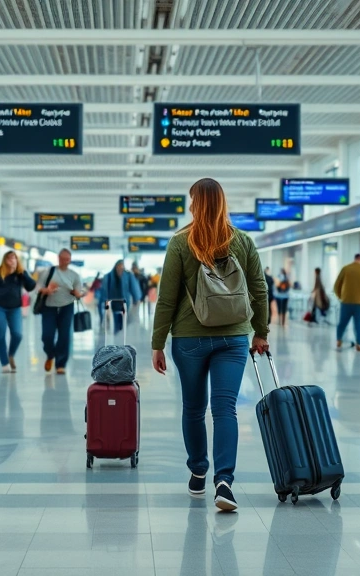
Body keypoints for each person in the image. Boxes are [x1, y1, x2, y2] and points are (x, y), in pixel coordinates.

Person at [150, 178, 269, 512]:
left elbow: (167, 298)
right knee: (224, 409)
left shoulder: (180, 243)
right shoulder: (243, 241)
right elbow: (259, 289)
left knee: (193, 408)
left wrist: (158, 342)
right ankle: (225, 482)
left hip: (189, 337)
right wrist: (261, 331)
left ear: (196, 204)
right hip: (233, 337)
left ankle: (198, 471)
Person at [0, 251, 37, 373]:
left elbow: (31, 286)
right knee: (1, 335)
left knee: (17, 334)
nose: (12, 261)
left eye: (14, 259)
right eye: (10, 259)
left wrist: (23, 274)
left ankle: (11, 354)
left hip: (15, 308)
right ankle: (4, 363)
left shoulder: (20, 274)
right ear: (5, 260)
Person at [36, 249, 83, 375]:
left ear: (70, 260)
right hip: (49, 307)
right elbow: (38, 287)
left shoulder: (74, 275)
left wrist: (77, 293)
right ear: (58, 258)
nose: (64, 262)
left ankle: (61, 364)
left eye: (67, 259)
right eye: (62, 259)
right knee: (47, 336)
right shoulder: (49, 272)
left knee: (64, 335)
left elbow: (80, 291)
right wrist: (46, 290)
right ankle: (50, 354)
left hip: (67, 307)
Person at [334, 254, 360, 351]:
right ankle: (359, 344)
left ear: (355, 259)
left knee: (342, 322)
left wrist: (340, 296)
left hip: (346, 301)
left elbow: (337, 285)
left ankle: (339, 340)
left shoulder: (345, 269)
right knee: (359, 323)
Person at [98, 259, 142, 333]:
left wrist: (136, 298)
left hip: (125, 301)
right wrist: (104, 302)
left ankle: (120, 330)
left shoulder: (128, 276)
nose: (121, 269)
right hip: (113, 302)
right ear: (116, 267)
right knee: (115, 318)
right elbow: (104, 291)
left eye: (122, 267)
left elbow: (134, 287)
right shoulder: (108, 277)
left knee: (124, 318)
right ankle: (117, 331)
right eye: (119, 267)